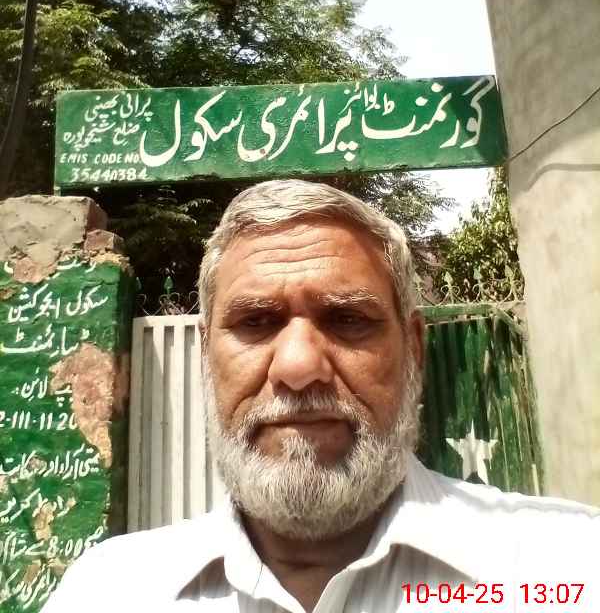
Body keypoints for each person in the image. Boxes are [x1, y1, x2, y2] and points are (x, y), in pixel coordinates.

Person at [43, 180, 598, 612]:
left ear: (413, 349)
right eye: (256, 322)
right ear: (206, 354)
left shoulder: (565, 571)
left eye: (347, 319)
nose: (298, 366)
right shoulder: (109, 594)